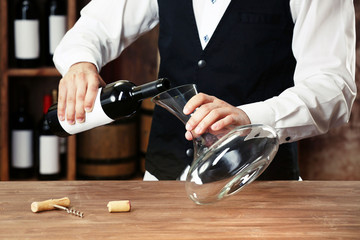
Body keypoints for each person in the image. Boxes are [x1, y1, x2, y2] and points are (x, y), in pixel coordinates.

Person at [53, 0, 356, 181]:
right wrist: (80, 62)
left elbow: (333, 87)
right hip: (164, 181)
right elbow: (95, 25)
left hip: (264, 190)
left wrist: (249, 117)